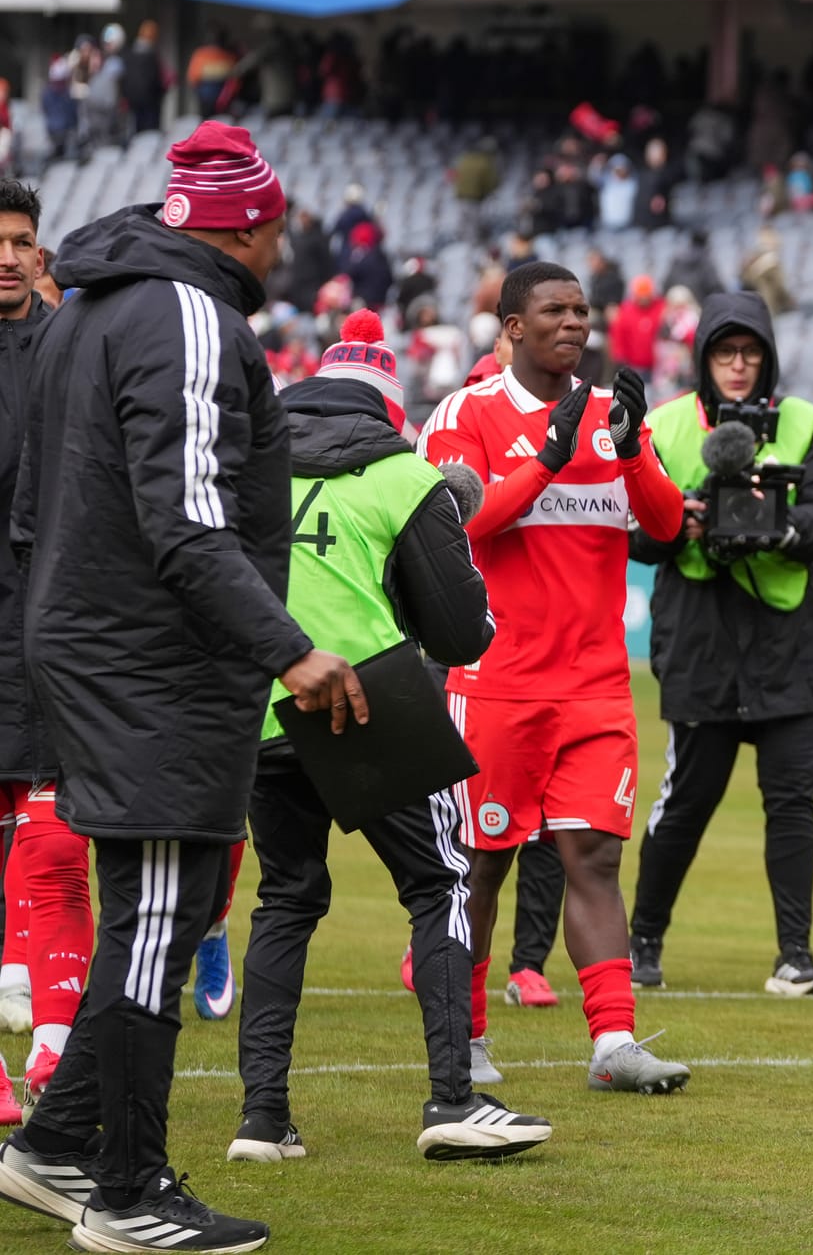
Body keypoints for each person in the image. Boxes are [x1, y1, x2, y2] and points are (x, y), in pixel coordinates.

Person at [1, 123, 360, 1253]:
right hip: (153, 663)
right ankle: (128, 1192)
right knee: (158, 915)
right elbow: (190, 520)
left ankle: (56, 1145)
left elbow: (31, 517)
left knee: (163, 910)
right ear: (251, 229)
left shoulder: (83, 314)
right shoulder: (191, 317)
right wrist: (289, 648)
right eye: (278, 228)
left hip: (89, 645)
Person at [234, 312, 551, 1165]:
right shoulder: (404, 475)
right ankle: (452, 1097)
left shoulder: (250, 468)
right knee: (438, 883)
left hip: (263, 707)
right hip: (369, 703)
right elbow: (460, 634)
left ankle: (261, 1120)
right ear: (386, 404)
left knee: (286, 901)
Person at [417, 262, 691, 1096]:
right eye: (554, 311)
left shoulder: (614, 416)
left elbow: (668, 525)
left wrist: (636, 448)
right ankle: (462, 1042)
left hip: (598, 685)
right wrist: (546, 456)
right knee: (481, 865)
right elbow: (454, 521)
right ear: (511, 327)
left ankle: (613, 1043)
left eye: (581, 311)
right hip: (495, 679)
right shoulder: (468, 413)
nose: (574, 323)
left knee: (594, 860)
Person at [627, 294, 813, 997]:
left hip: (793, 645)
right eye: (724, 353)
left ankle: (795, 956)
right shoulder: (661, 426)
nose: (738, 365)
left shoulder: (808, 424)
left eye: (750, 352)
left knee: (794, 802)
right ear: (703, 359)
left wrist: (779, 527)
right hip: (700, 639)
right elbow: (631, 535)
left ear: (768, 357)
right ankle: (641, 941)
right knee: (687, 801)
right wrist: (680, 522)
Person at [0, 180, 57, 1119]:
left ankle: (54, 1053)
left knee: (50, 842)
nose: (7, 256)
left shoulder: (66, 349)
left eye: (21, 241)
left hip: (45, 635)